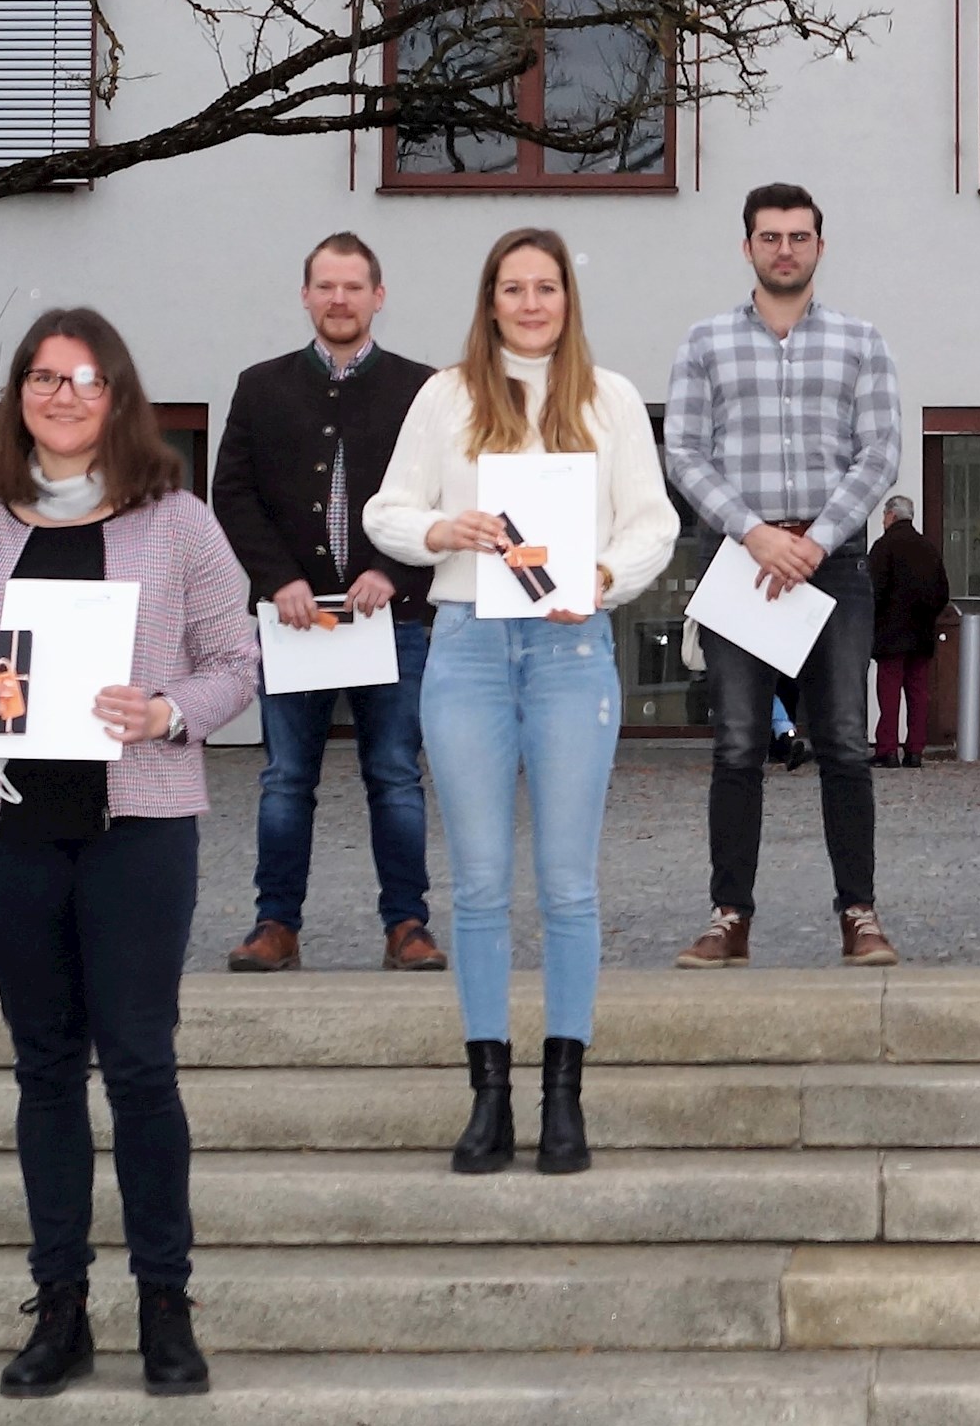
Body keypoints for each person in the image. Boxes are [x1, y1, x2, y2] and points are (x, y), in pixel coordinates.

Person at [0, 308, 259, 1399]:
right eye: (44, 377)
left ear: (119, 396)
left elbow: (235, 659)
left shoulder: (178, 522)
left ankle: (166, 1302)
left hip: (139, 824)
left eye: (87, 378)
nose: (64, 395)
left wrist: (165, 712)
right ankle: (59, 1306)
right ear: (20, 394)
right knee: (46, 1066)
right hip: (6, 827)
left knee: (142, 1065)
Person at [369, 227, 680, 1173]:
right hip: (465, 647)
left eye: (547, 288)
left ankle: (564, 1098)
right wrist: (438, 527)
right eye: (515, 289)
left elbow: (654, 523)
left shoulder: (610, 397)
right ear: (491, 298)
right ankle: (489, 1096)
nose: (532, 303)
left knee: (569, 883)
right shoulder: (446, 396)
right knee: (477, 883)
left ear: (566, 300)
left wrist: (599, 573)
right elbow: (387, 511)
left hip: (568, 650)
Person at [664, 186, 906, 968]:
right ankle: (728, 917)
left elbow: (879, 454)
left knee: (844, 742)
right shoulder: (704, 344)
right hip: (740, 561)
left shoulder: (861, 342)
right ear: (748, 248)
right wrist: (757, 534)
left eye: (799, 237)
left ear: (819, 247)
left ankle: (860, 916)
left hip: (833, 564)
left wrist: (817, 539)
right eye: (770, 237)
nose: (785, 250)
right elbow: (685, 453)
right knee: (736, 745)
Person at [214, 231, 444, 974]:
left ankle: (407, 924)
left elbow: (444, 497)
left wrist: (392, 570)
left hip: (393, 618)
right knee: (286, 778)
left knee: (395, 775)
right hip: (295, 621)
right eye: (326, 286)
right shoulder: (261, 385)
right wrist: (279, 580)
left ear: (379, 296)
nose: (339, 299)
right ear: (306, 295)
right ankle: (275, 924)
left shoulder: (423, 388)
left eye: (354, 287)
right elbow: (234, 495)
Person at [866, 494, 947, 766]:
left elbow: (872, 591)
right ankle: (915, 751)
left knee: (888, 694)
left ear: (890, 516)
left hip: (890, 635)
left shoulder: (883, 547)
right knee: (918, 693)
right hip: (921, 633)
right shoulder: (928, 549)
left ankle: (886, 750)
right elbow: (941, 593)